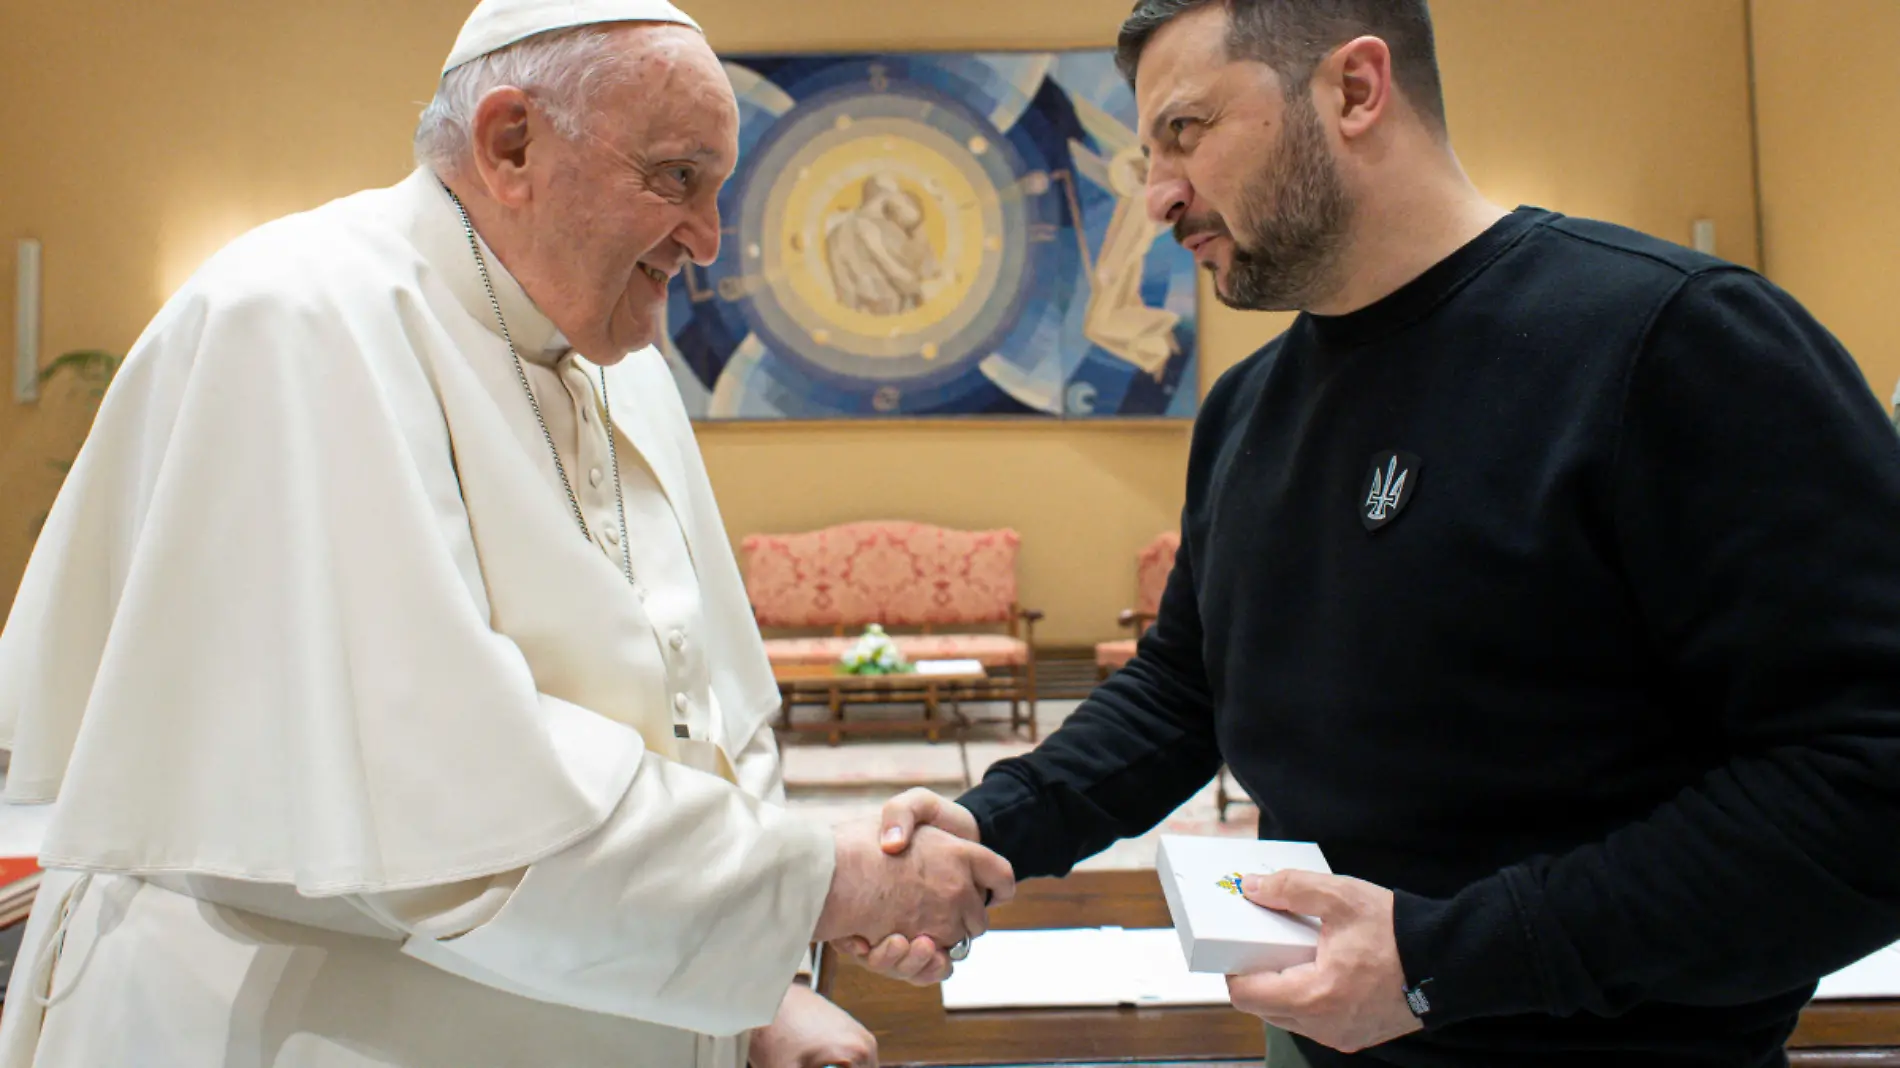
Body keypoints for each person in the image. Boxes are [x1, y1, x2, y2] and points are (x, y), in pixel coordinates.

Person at [847, 1, 1900, 1065]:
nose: (1158, 191)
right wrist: (995, 824)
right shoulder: (1250, 404)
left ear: (1353, 89)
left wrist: (1443, 960)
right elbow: (1186, 687)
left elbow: (1867, 781)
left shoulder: (1672, 343)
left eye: (1185, 131)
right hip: (1323, 1037)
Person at [0, 1, 1013, 1065]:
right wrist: (822, 881)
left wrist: (755, 985)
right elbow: (436, 809)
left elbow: (703, 711)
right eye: (676, 178)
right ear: (510, 142)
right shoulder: (299, 317)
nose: (710, 239)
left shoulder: (626, 370)